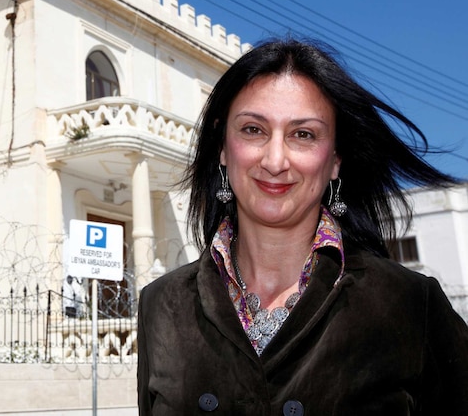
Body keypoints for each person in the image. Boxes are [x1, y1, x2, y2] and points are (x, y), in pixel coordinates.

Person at [137, 38, 468, 414]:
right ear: (223, 148)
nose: (275, 160)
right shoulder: (161, 305)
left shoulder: (409, 304)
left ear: (336, 159)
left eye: (303, 134)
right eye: (252, 130)